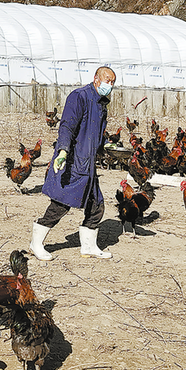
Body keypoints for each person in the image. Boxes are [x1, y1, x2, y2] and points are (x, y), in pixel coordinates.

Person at [30, 66, 116, 261]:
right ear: (96, 79)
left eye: (112, 82)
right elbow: (67, 126)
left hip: (88, 164)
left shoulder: (101, 102)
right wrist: (62, 152)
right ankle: (36, 243)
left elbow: (94, 132)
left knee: (96, 206)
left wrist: (106, 144)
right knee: (61, 204)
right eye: (107, 80)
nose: (109, 85)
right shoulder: (79, 97)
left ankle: (88, 246)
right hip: (74, 161)